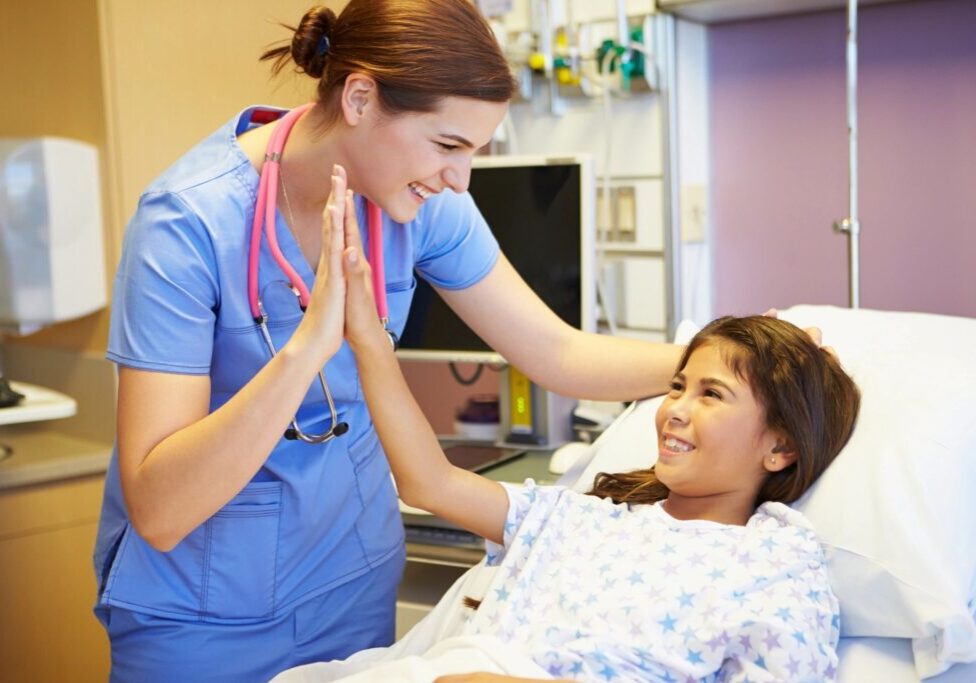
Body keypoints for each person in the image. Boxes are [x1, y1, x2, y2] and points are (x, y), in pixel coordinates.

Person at [92, 1, 689, 681]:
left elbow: (557, 352)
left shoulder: (422, 207)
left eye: (474, 151)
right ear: (359, 98)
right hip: (199, 614)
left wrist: (725, 357)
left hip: (350, 584)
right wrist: (307, 348)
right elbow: (160, 509)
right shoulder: (187, 224)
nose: (461, 178)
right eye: (448, 146)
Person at [317, 230, 861, 682]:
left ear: (780, 446)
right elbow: (429, 484)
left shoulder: (774, 565)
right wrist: (367, 338)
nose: (674, 409)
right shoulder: (580, 518)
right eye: (677, 386)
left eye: (711, 394)